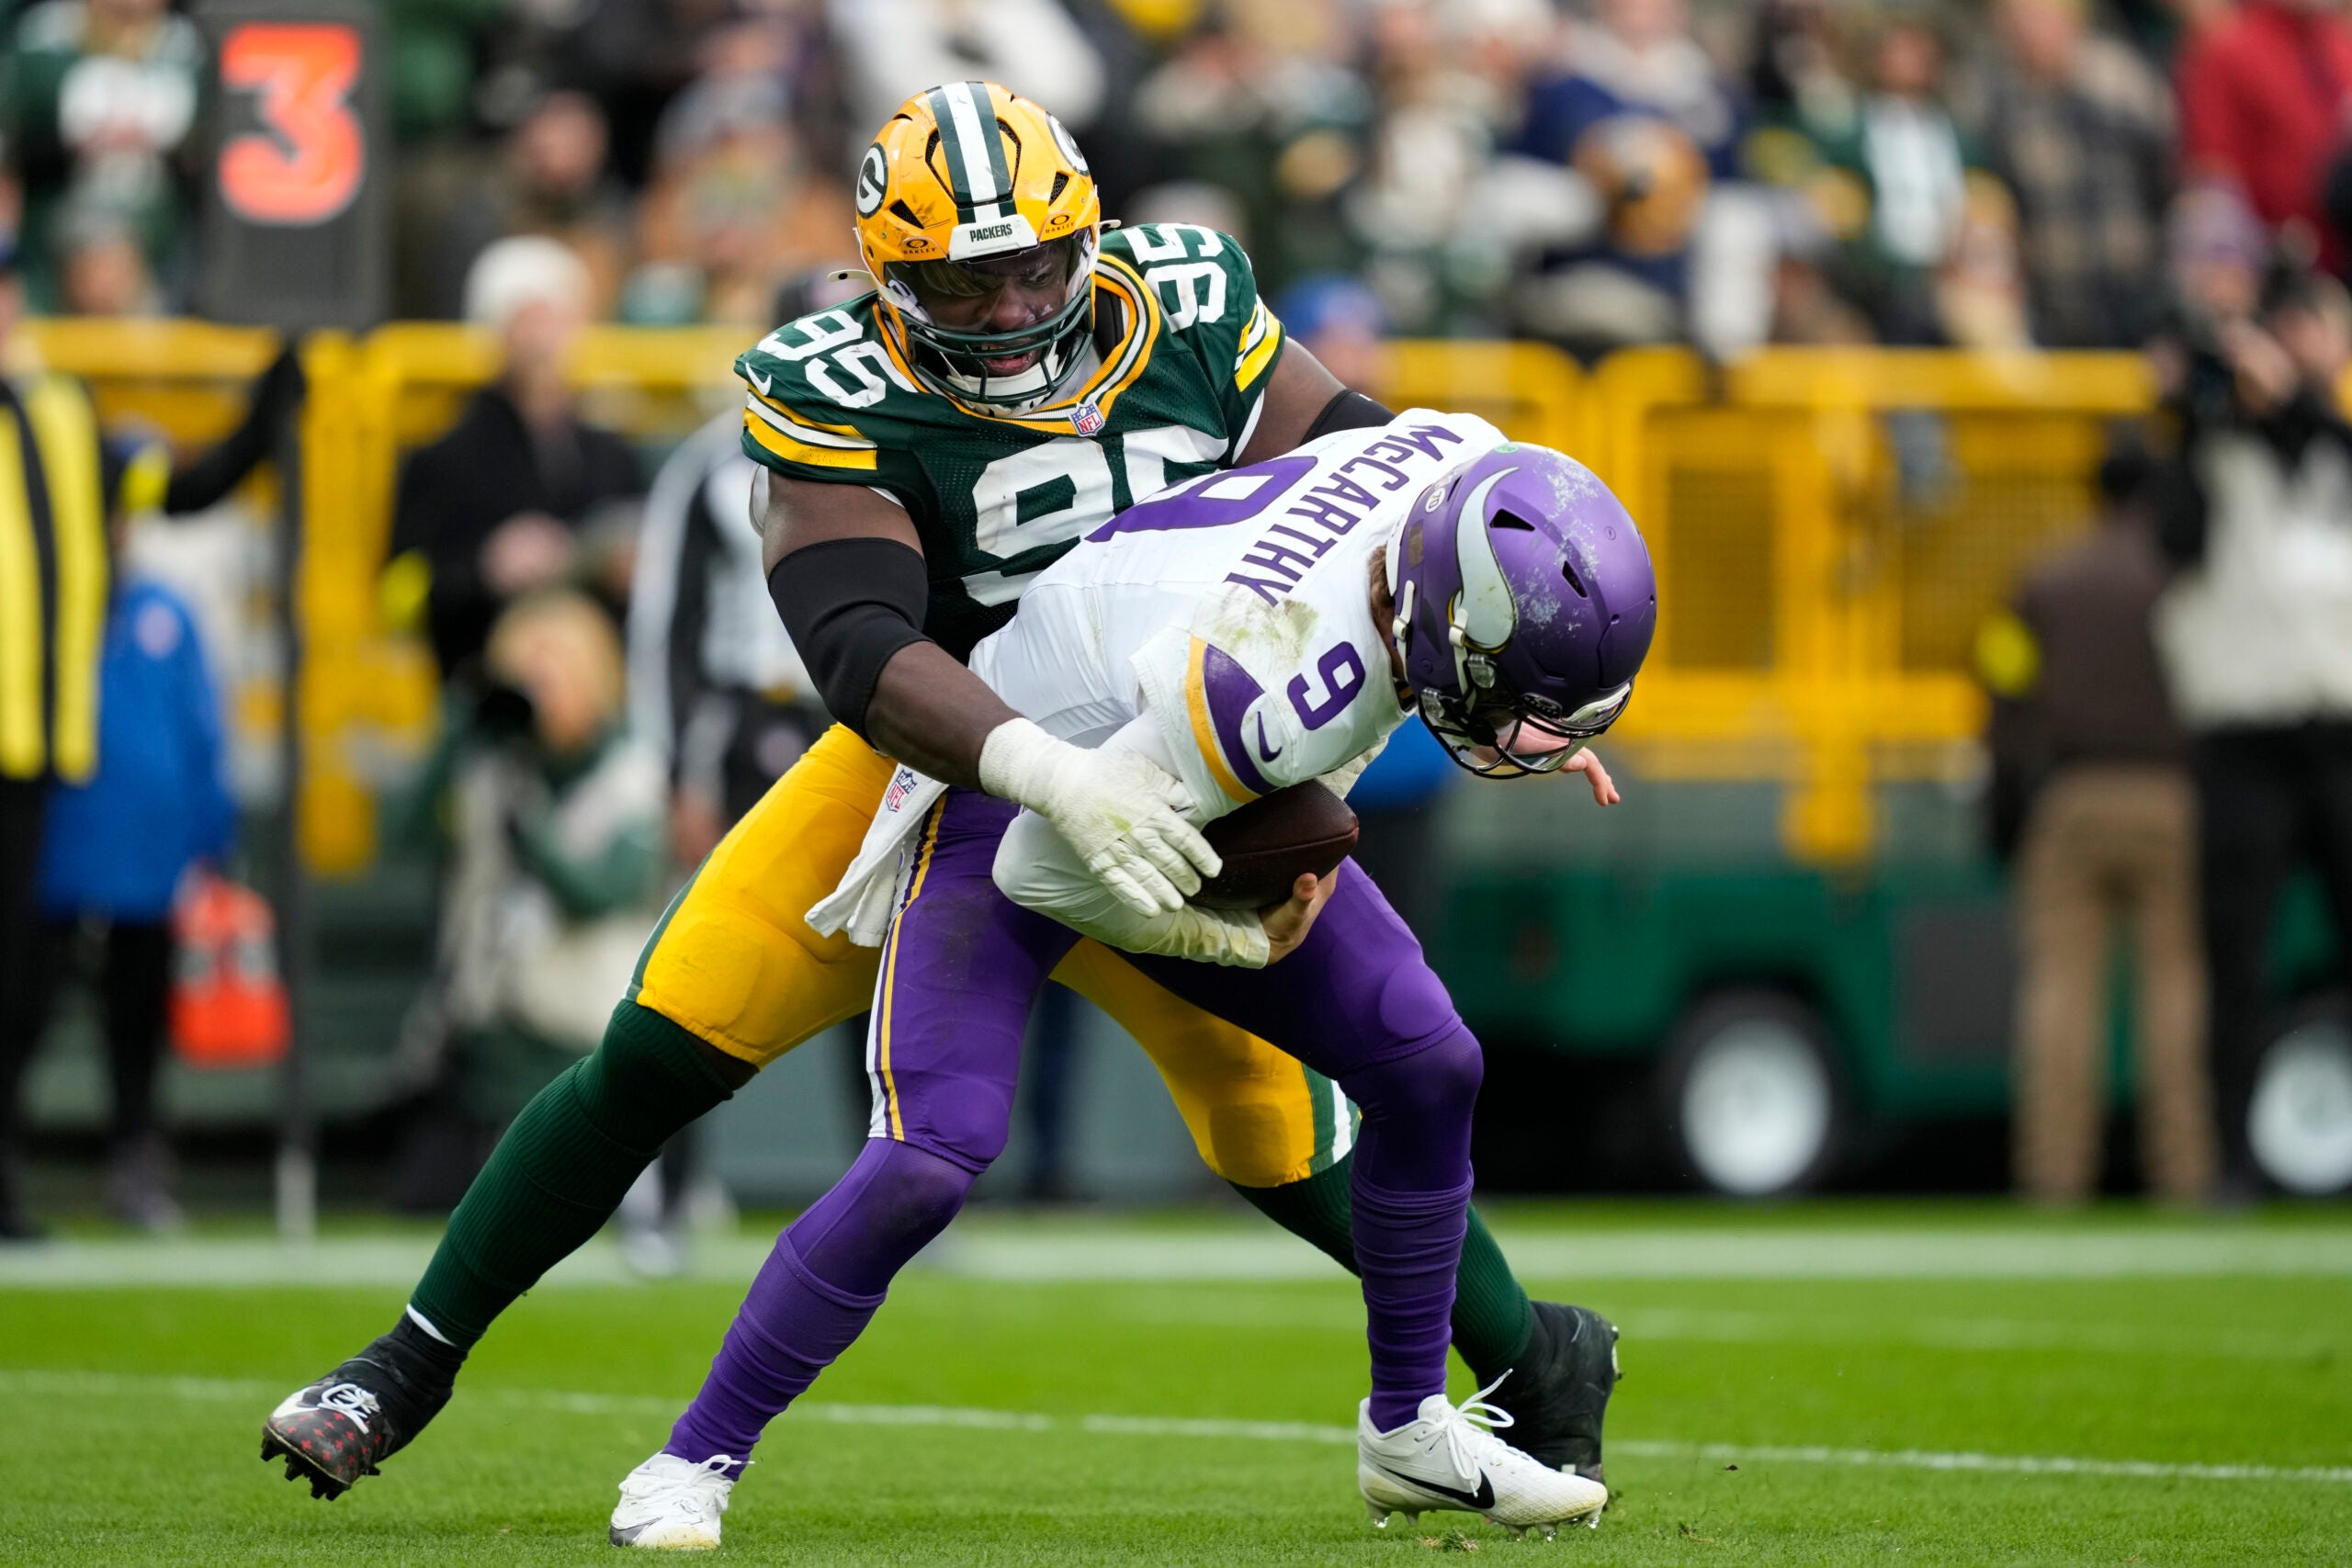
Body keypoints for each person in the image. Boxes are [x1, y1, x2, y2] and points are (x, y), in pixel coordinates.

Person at [262, 82, 1623, 1502]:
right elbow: (860, 648)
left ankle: (1536, 1358)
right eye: (968, 284)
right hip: (939, 774)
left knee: (1290, 1136)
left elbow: (1361, 467)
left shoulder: (1192, 297)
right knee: (665, 1044)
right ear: (886, 278)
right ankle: (400, 1365)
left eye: (1041, 263)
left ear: (1090, 231)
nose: (1017, 305)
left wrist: (1494, 654)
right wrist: (1045, 769)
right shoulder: (833, 383)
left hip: (1176, 781)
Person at [609, 414, 1653, 1547]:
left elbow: (1460, 612)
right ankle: (690, 1461)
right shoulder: (1270, 687)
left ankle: (1407, 1433)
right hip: (1010, 796)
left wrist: (1522, 697)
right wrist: (1237, 943)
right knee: (930, 1155)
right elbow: (1047, 875)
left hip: (1171, 737)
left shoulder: (1468, 472)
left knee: (1429, 1060)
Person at [2152, 265, 2352, 1198]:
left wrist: (2285, 397)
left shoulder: (2325, 442)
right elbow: (2170, 533)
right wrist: (2195, 410)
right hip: (2242, 738)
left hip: (2338, 731)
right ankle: (2232, 1159)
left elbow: (2321, 444)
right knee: (2235, 960)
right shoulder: (2209, 454)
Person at [1979, 446, 2213, 1203]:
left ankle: (2054, 1171)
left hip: (2071, 795)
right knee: (2173, 988)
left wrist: (2006, 800)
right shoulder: (2177, 582)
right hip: (2168, 793)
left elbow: (2002, 686)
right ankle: (2184, 1169)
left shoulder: (2046, 579)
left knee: (2058, 991)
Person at [383, 237, 644, 684]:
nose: (545, 338)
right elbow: (396, 596)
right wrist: (483, 569)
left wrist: (630, 572)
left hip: (602, 697)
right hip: (481, 689)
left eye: (558, 318)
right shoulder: (444, 460)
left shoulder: (611, 456)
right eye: (528, 319)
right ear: (494, 330)